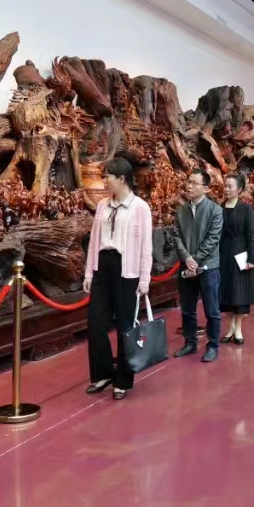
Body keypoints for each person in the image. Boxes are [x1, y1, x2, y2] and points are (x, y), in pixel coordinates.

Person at [82, 158, 153, 400]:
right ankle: (102, 373)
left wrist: (144, 279)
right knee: (95, 322)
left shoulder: (140, 207)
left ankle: (122, 379)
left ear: (121, 179)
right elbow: (94, 241)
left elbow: (146, 247)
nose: (104, 180)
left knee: (125, 326)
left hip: (127, 269)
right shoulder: (103, 205)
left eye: (108, 176)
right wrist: (89, 272)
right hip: (102, 265)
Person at [172, 169, 224, 363]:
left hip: (208, 267)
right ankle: (190, 342)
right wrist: (187, 258)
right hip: (186, 266)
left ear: (206, 188)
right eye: (189, 181)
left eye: (194, 183)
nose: (189, 186)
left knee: (212, 310)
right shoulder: (181, 210)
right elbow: (176, 236)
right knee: (187, 308)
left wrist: (195, 260)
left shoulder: (215, 211)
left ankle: (212, 345)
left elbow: (213, 240)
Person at [218, 173, 254, 344]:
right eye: (225, 186)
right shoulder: (219, 207)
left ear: (239, 189)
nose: (226, 189)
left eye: (230, 186)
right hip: (223, 255)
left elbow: (251, 235)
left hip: (240, 254)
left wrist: (251, 257)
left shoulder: (246, 209)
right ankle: (231, 327)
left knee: (239, 292)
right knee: (226, 292)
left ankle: (239, 328)